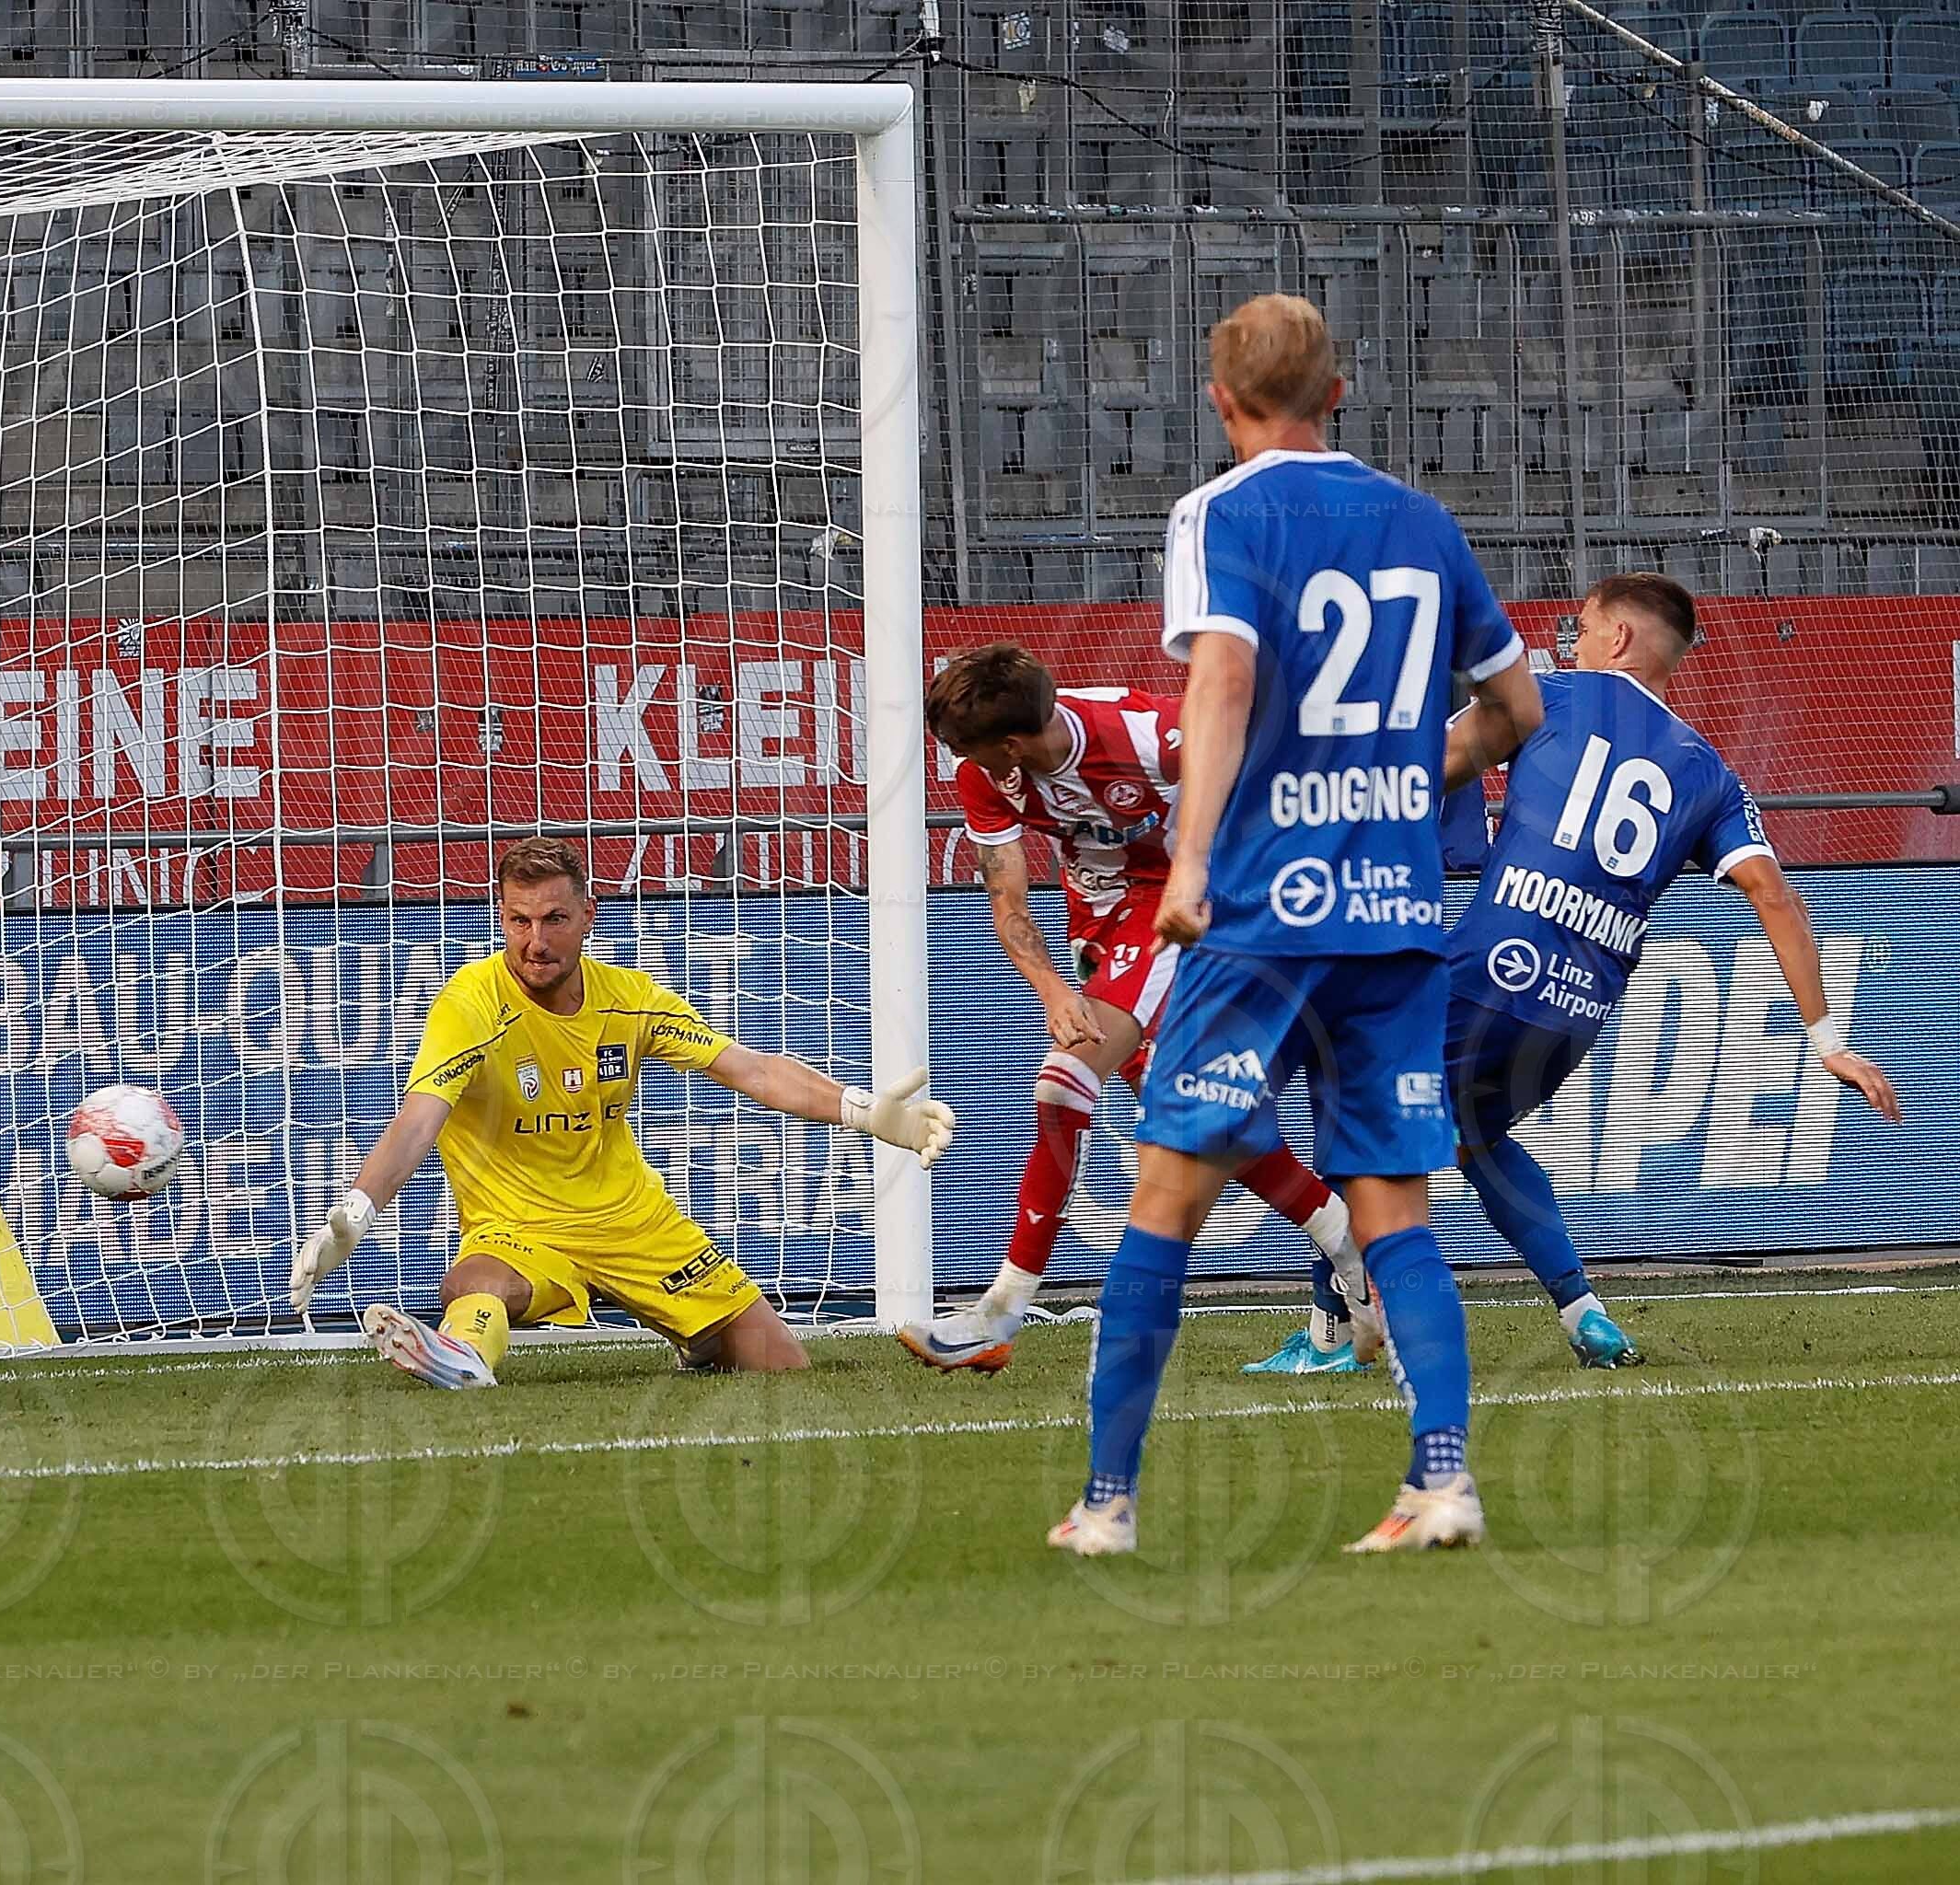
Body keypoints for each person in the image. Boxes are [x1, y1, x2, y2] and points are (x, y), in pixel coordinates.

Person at [1051, 292, 1545, 1559]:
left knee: (1166, 1197)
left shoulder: (1219, 512)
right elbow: (1516, 713)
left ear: (1219, 402)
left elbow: (1221, 678)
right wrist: (1406, 781)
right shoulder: (1422, 522)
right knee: (1395, 1212)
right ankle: (1441, 1481)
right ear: (1339, 392)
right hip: (1393, 918)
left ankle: (1106, 1502)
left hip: (1263, 919)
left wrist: (1190, 860)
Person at [1247, 572, 1900, 1370]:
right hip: (1577, 1012)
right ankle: (1585, 1314)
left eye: (1584, 625)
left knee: (1357, 1099)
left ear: (1618, 638)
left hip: (1489, 971)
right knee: (1476, 1137)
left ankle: (1335, 1329)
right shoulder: (1710, 774)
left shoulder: (1548, 699)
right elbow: (1775, 895)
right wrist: (1828, 1041)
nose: (1572, 638)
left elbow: (1423, 769)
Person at [286, 836, 955, 1386]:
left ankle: (701, 1341)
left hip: (632, 1221)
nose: (535, 941)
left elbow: (747, 1068)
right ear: (501, 919)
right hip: (519, 1228)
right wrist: (357, 1210)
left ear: (588, 915)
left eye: (553, 919)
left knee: (781, 1364)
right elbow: (419, 1119)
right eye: (518, 921)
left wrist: (862, 1111)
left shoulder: (629, 998)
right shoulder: (470, 1005)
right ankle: (462, 1355)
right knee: (475, 1281)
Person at [895, 644, 1372, 1377]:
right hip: (1099, 922)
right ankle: (1353, 1248)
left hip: (1183, 906)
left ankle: (998, 1312)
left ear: (1012, 745)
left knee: (1062, 1084)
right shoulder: (986, 774)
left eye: (967, 747)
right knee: (1203, 1121)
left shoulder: (1151, 739)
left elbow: (1274, 780)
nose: (959, 760)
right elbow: (1007, 898)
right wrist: (1054, 990)